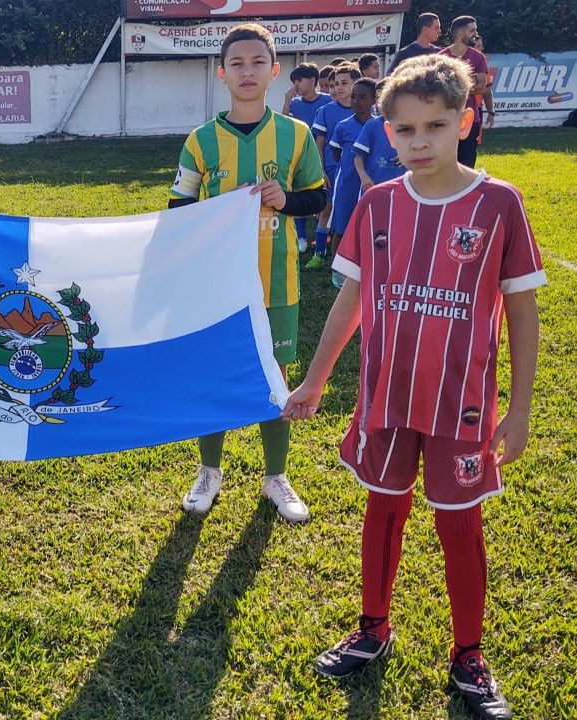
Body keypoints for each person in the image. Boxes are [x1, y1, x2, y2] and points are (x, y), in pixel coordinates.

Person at [284, 54, 545, 720]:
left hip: (461, 405)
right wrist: (315, 380)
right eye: (405, 130)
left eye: (435, 125)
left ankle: (469, 656)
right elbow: (349, 300)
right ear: (387, 131)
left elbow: (520, 308)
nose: (420, 142)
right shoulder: (377, 204)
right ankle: (373, 627)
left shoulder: (497, 203)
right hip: (386, 399)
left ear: (466, 120)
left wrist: (517, 411)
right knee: (383, 510)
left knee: (461, 527)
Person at [169, 24, 326, 522]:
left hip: (276, 284)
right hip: (217, 287)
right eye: (237, 63)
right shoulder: (200, 141)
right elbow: (178, 208)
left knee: (275, 381)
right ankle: (209, 471)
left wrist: (287, 201)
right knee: (214, 375)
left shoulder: (296, 135)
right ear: (222, 73)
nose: (248, 72)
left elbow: (318, 197)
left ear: (274, 70)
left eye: (258, 62)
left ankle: (275, 475)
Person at [326, 77, 377, 288]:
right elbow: (336, 153)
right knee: (341, 226)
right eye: (353, 96)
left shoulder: (379, 126)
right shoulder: (343, 126)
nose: (356, 101)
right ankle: (337, 269)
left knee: (367, 228)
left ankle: (365, 268)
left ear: (374, 100)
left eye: (362, 97)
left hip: (369, 184)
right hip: (346, 183)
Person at [307, 62, 358, 270]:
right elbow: (318, 143)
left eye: (344, 83)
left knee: (356, 212)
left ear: (357, 83)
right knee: (327, 209)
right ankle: (319, 253)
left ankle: (353, 256)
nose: (338, 88)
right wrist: (321, 170)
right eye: (335, 84)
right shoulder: (326, 111)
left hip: (356, 172)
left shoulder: (367, 110)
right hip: (331, 170)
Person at [283, 62, 331, 253]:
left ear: (313, 81)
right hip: (299, 155)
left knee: (324, 197)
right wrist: (287, 101)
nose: (296, 85)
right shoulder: (294, 104)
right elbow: (284, 126)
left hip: (323, 155)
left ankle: (324, 234)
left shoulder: (327, 102)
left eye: (299, 80)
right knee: (298, 192)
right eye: (294, 81)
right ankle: (301, 237)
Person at [440, 16, 489, 168]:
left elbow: (482, 87)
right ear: (460, 34)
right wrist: (470, 81)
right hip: (445, 119)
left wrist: (454, 83)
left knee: (467, 165)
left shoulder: (478, 57)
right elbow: (438, 89)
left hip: (470, 118)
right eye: (472, 30)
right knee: (445, 163)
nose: (476, 33)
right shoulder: (441, 58)